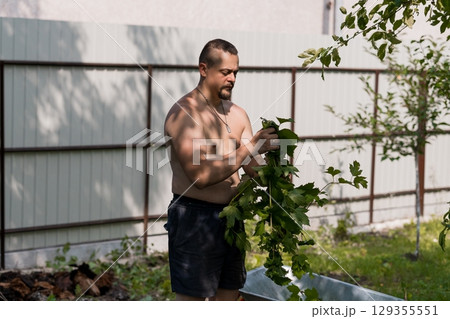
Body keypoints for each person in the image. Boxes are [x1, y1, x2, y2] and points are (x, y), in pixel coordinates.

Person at [164, 39, 279, 301]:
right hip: (194, 216)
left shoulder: (237, 114)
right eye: (225, 72)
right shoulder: (184, 115)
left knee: (229, 297)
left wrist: (277, 173)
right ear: (203, 69)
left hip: (232, 217)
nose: (232, 79)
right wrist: (252, 147)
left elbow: (252, 167)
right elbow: (201, 176)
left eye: (235, 72)